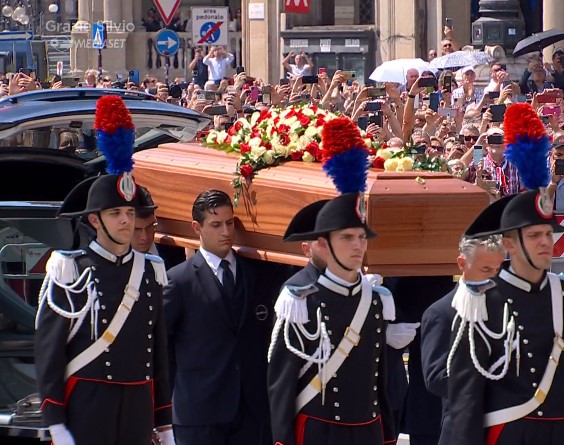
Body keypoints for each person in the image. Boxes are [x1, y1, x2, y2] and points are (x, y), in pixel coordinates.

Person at [447, 103, 564, 445]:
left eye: (547, 234)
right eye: (534, 235)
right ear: (509, 244)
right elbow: (466, 396)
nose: (546, 242)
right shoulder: (483, 299)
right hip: (512, 433)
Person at [34, 96, 174, 445]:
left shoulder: (150, 270)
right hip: (87, 407)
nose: (126, 221)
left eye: (129, 213)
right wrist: (56, 423)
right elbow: (50, 352)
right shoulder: (71, 270)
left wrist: (165, 423)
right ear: (95, 220)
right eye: (116, 214)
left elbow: (158, 353)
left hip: (137, 410)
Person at [267, 117, 397, 445]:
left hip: (368, 431)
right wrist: (282, 440)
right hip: (319, 432)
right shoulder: (300, 300)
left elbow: (380, 379)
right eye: (347, 237)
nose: (357, 246)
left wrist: (388, 435)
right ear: (323, 244)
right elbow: (281, 382)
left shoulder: (376, 299)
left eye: (361, 237)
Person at [164, 190, 272, 445]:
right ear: (196, 228)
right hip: (199, 412)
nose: (226, 232)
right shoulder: (179, 280)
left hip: (250, 410)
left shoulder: (255, 273)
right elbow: (161, 347)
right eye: (215, 225)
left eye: (229, 223)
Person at [420, 234, 506, 445]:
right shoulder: (441, 312)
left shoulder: (507, 307)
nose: (493, 278)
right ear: (462, 264)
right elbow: (436, 378)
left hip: (506, 427)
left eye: (498, 270)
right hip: (464, 430)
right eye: (486, 270)